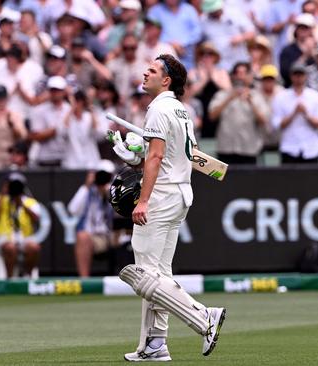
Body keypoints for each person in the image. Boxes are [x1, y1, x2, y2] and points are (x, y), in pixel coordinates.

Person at [112, 54, 226, 362]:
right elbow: (170, 154)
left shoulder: (159, 109)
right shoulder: (180, 109)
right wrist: (133, 156)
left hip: (161, 196)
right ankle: (154, 343)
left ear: (166, 80)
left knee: (143, 274)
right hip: (180, 193)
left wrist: (144, 199)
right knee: (159, 274)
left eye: (152, 70)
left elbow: (157, 158)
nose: (145, 73)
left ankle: (204, 318)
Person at [208, 62, 269, 164]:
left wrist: (251, 102)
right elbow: (212, 116)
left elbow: (263, 120)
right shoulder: (222, 94)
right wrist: (229, 98)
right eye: (237, 73)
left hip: (248, 149)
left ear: (250, 76)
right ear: (232, 76)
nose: (240, 76)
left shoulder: (257, 96)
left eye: (244, 73)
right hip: (226, 149)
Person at [67, 160, 116, 278]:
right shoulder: (88, 192)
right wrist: (86, 186)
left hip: (114, 234)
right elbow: (72, 210)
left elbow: (123, 212)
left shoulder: (115, 191)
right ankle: (85, 281)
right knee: (82, 236)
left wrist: (109, 193)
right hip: (93, 237)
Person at [0, 172, 41, 278]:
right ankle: (10, 278)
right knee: (10, 248)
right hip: (4, 238)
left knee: (34, 247)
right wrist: (3, 195)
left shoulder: (29, 202)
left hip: (24, 238)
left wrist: (21, 205)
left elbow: (36, 219)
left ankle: (28, 275)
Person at [271, 62, 318, 164]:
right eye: (296, 74)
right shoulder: (281, 97)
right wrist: (294, 113)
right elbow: (277, 124)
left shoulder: (315, 96)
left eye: (301, 74)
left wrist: (306, 114)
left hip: (312, 149)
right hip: (289, 148)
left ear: (305, 76)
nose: (298, 77)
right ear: (291, 76)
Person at [27, 75, 71, 167]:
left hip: (66, 158)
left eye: (58, 90)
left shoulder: (69, 109)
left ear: (64, 92)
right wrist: (56, 130)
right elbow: (36, 135)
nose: (55, 93)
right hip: (45, 158)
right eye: (53, 90)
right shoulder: (39, 110)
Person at [61, 90, 105, 170]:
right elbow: (62, 133)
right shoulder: (67, 118)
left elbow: (99, 133)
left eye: (77, 101)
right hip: (71, 164)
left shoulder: (89, 116)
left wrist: (91, 108)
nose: (75, 104)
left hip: (91, 163)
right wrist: (71, 109)